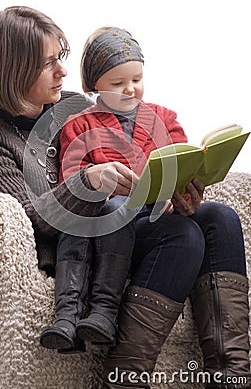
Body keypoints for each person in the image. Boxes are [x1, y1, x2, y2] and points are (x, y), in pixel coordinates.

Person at [49, 27, 250, 388]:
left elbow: (181, 159)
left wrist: (188, 192)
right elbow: (75, 188)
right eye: (118, 82)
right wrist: (96, 179)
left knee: (222, 217)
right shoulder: (79, 126)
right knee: (184, 235)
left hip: (164, 211)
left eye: (137, 79)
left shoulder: (163, 118)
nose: (130, 89)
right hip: (120, 229)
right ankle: (126, 372)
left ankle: (232, 371)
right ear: (95, 84)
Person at [0, 6, 136, 354]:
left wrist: (172, 186)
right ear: (13, 70)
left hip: (119, 226)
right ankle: (128, 368)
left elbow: (126, 157)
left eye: (61, 57)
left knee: (214, 220)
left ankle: (232, 369)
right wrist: (89, 181)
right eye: (47, 63)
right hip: (78, 249)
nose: (63, 71)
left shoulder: (74, 107)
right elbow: (30, 220)